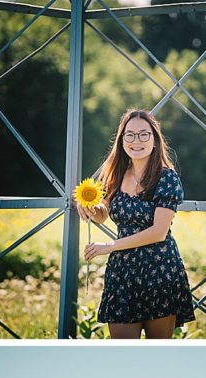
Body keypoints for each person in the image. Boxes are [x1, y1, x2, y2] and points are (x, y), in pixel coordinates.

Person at [79, 109, 195, 339]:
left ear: (155, 140)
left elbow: (158, 233)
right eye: (129, 135)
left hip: (159, 270)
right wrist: (90, 206)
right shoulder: (115, 174)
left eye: (144, 135)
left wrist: (109, 246)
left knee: (157, 358)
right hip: (122, 273)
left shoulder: (166, 178)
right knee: (122, 356)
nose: (136, 141)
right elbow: (105, 213)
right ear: (122, 140)